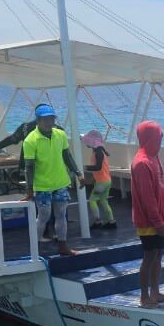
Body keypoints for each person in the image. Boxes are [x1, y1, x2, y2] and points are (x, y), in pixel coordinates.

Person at [22, 103, 81, 257]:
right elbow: (29, 167)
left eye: (51, 119)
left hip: (61, 182)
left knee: (61, 215)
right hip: (42, 186)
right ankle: (34, 249)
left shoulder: (60, 135)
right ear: (38, 121)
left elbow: (67, 155)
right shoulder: (30, 140)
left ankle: (63, 246)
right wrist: (29, 189)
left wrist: (78, 172)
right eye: (45, 119)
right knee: (43, 216)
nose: (49, 122)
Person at [131, 121, 164, 308]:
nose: (160, 141)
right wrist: (157, 222)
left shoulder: (154, 157)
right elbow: (147, 197)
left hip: (162, 217)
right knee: (149, 256)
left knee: (159, 255)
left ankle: (155, 292)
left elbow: (161, 187)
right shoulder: (142, 163)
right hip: (149, 221)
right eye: (158, 138)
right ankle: (144, 295)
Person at [82, 130, 116, 230]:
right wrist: (94, 178)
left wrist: (85, 168)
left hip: (102, 182)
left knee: (92, 200)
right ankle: (111, 221)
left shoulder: (98, 153)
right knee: (103, 200)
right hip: (106, 181)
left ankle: (97, 221)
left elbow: (98, 167)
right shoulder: (99, 152)